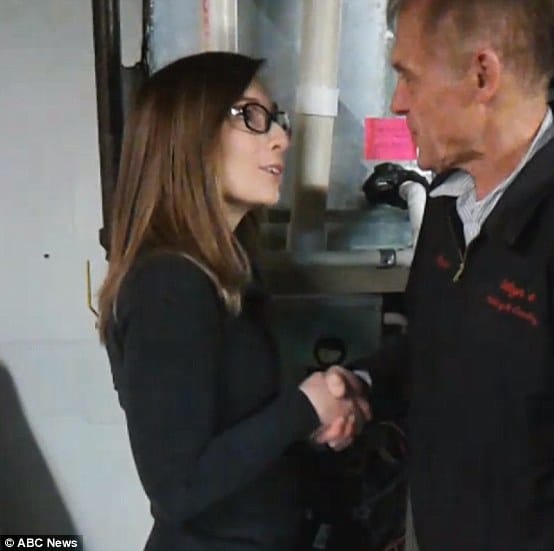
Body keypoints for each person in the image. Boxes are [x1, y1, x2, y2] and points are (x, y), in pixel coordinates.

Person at [330, 0, 554, 549]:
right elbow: (437, 347)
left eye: (408, 76)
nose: (398, 102)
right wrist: (364, 384)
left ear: (482, 76)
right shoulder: (449, 202)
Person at [97, 51, 368, 551]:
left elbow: (232, 435)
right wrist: (303, 407)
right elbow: (177, 486)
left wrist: (315, 421)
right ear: (188, 137)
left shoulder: (226, 273)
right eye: (252, 116)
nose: (281, 138)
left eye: (277, 119)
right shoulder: (168, 285)